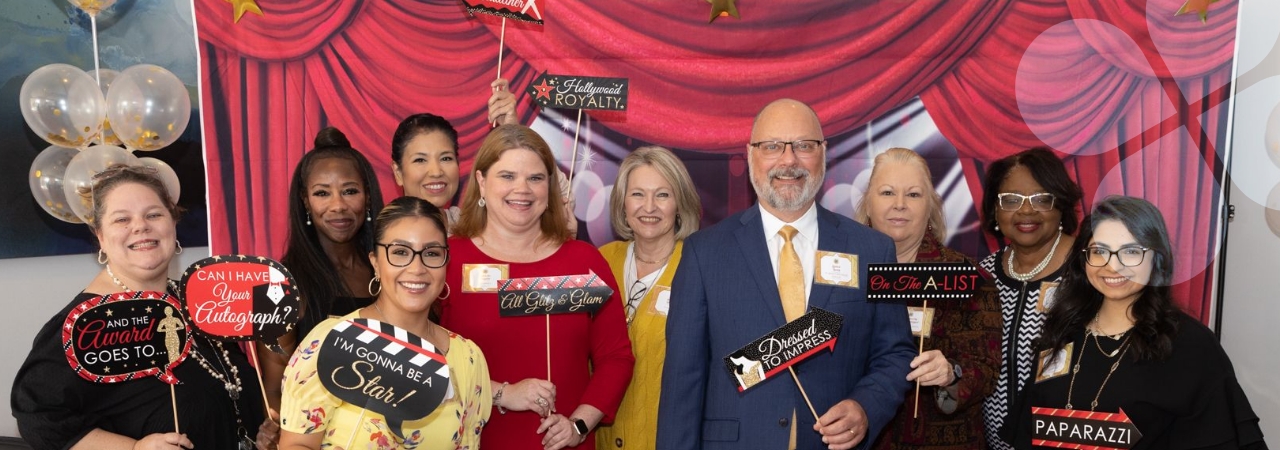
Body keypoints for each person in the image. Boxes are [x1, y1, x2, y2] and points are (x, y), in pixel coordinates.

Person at [657, 99, 916, 450]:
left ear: (824, 154)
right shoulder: (704, 252)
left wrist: (866, 406)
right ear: (750, 155)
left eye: (804, 146)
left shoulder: (873, 250)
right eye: (772, 146)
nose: (789, 160)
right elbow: (681, 382)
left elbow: (895, 353)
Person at [12, 164, 265, 449]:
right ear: (101, 237)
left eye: (154, 214)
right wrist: (132, 448)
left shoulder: (201, 299)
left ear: (173, 223)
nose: (141, 226)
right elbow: (39, 417)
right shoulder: (85, 325)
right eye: (122, 219)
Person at [1011, 196, 1268, 449]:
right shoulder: (1063, 330)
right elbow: (1029, 431)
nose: (1112, 266)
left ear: (1156, 258)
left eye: (1131, 251)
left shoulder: (1190, 345)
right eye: (1099, 251)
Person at [440, 124, 634, 450]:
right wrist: (502, 392)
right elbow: (425, 363)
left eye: (535, 178)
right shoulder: (447, 261)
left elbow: (616, 358)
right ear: (482, 183)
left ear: (550, 188)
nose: (523, 189)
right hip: (472, 440)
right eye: (507, 176)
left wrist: (579, 424)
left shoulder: (584, 261)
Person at [277, 196, 491, 449]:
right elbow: (297, 444)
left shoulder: (468, 358)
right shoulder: (331, 342)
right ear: (375, 262)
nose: (417, 268)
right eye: (400, 252)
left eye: (432, 253)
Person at [854, 148, 1001, 450]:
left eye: (913, 195)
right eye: (887, 192)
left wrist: (952, 372)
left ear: (931, 206)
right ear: (868, 203)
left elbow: (986, 371)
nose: (899, 205)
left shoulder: (967, 277)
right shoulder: (841, 273)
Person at [257, 127, 385, 414]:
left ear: (367, 196)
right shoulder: (277, 287)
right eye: (322, 193)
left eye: (350, 191)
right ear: (305, 201)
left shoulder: (389, 270)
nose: (338, 205)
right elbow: (274, 390)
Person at [595, 146, 702, 449]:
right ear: (623, 203)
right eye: (638, 194)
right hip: (598, 437)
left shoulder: (700, 268)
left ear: (680, 203)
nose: (649, 207)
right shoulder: (601, 262)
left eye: (663, 195)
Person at [977, 147, 1082, 450]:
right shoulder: (983, 276)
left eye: (1041, 199)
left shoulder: (1089, 271)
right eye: (1011, 200)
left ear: (1061, 205)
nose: (1026, 211)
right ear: (995, 210)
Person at [391, 79, 518, 230]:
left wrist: (511, 130)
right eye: (420, 160)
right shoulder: (386, 235)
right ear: (398, 172)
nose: (436, 172)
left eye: (446, 158)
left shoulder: (473, 230)